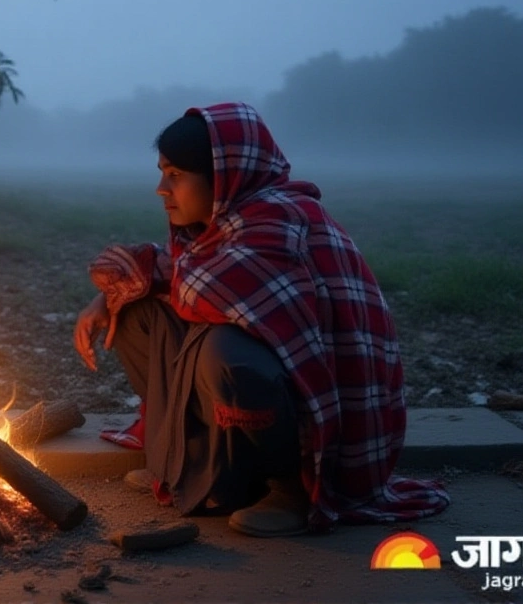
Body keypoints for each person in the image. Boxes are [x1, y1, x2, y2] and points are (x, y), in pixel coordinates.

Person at [73, 102, 449, 537]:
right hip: (264, 388)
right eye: (161, 172)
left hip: (321, 422)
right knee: (137, 309)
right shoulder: (216, 226)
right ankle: (187, 465)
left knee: (227, 354)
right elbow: (179, 276)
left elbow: (204, 292)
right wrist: (109, 298)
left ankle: (290, 489)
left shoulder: (282, 219)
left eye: (175, 175)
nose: (161, 188)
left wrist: (137, 284)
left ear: (224, 175)